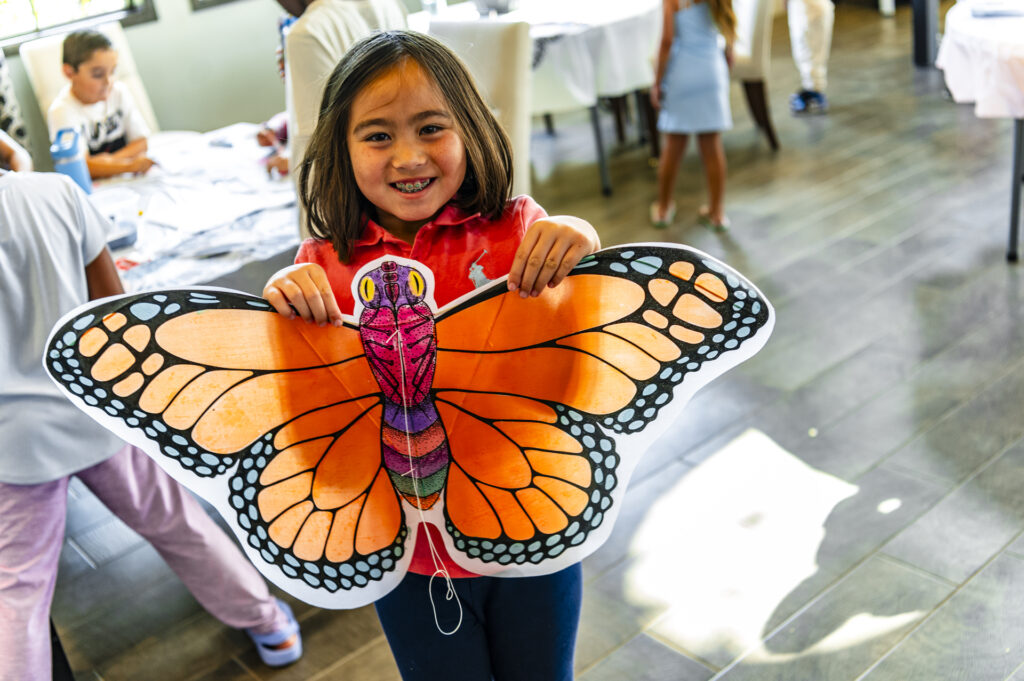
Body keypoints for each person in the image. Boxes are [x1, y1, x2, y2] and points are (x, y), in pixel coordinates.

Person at [261, 30, 601, 681]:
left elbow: (576, 360)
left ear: (470, 128)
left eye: (430, 127)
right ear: (340, 145)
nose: (408, 155)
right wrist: (280, 315)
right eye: (378, 134)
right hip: (410, 563)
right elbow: (310, 438)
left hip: (536, 532)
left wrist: (581, 238)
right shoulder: (320, 267)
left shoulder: (517, 229)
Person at [0, 134, 302, 680]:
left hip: (13, 446)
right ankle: (269, 626)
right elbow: (112, 309)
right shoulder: (56, 193)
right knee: (175, 521)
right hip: (90, 406)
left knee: (18, 589)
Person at [276, 0, 407, 233]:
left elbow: (314, 148)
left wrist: (316, 241)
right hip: (398, 194)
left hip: (347, 213)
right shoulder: (387, 4)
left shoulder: (306, 32)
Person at [650, 0, 737, 231]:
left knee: (673, 148)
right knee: (712, 148)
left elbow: (667, 41)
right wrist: (729, 53)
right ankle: (717, 213)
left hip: (683, 74)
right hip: (711, 71)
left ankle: (663, 209)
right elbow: (729, 32)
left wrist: (657, 82)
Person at [47, 30, 154, 179]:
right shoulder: (61, 111)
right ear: (69, 72)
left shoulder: (119, 92)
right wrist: (129, 165)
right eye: (97, 74)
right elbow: (80, 167)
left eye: (113, 71)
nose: (108, 81)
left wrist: (107, 163)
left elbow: (142, 143)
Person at [787, 0, 833, 114]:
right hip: (810, 7)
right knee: (808, 49)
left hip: (811, 9)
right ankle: (812, 87)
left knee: (807, 49)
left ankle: (813, 90)